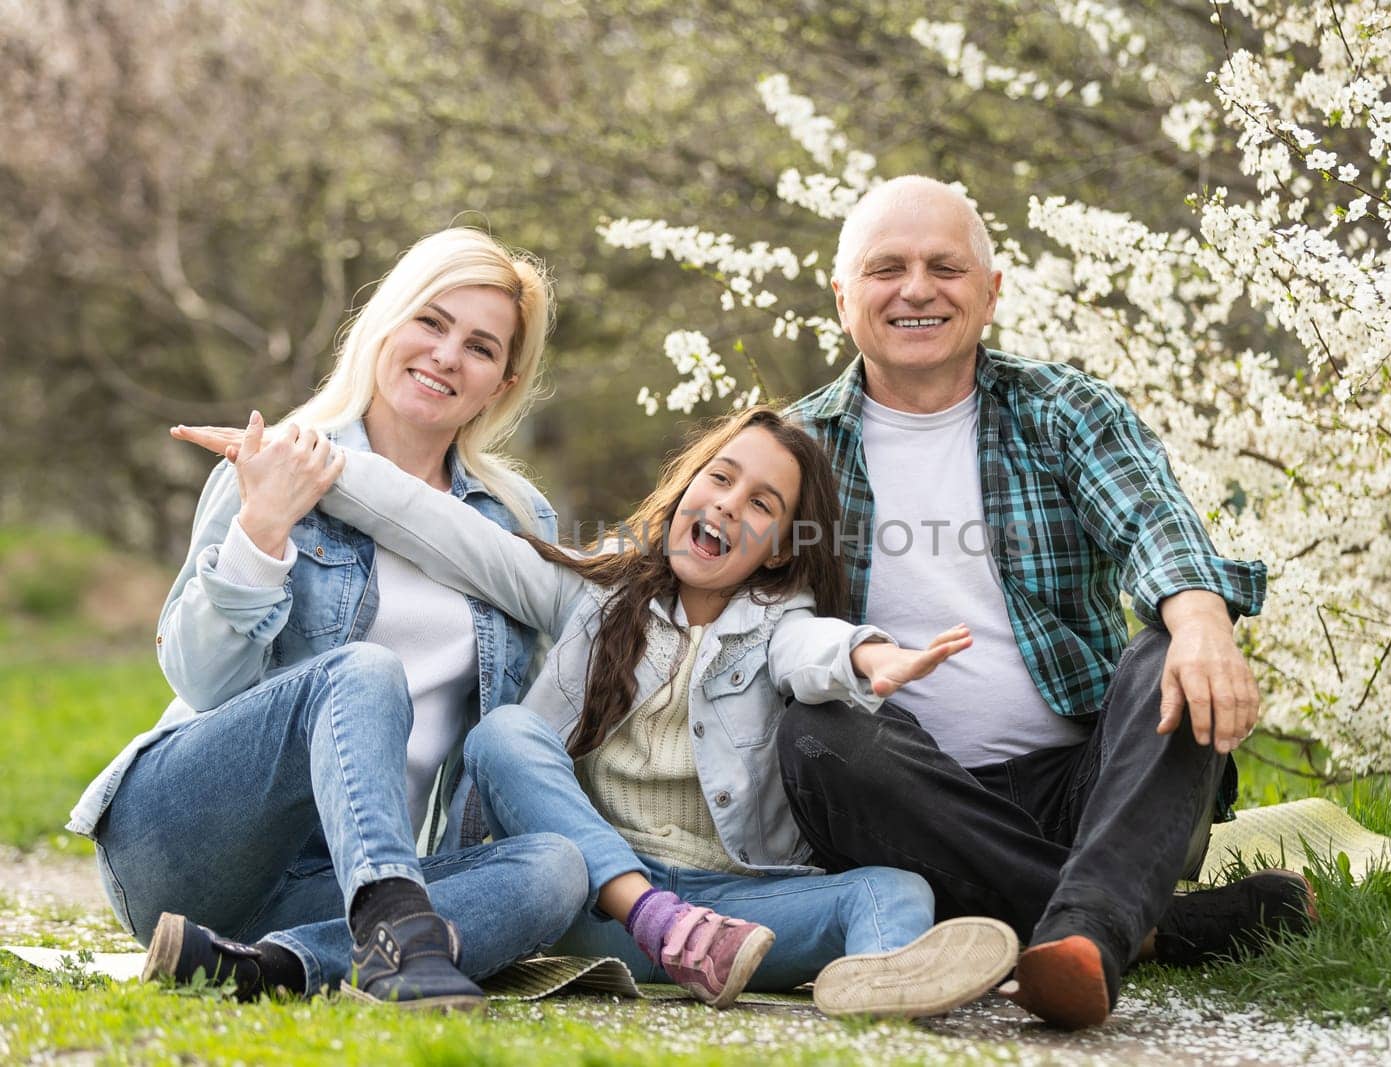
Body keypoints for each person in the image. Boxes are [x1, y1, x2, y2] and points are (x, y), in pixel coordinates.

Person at [178, 405, 1021, 1016]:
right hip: (600, 907)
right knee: (507, 733)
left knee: (889, 886)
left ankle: (883, 977)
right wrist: (303, 457)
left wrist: (876, 658)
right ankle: (659, 923)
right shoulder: (591, 594)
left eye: (763, 504)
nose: (730, 504)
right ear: (686, 486)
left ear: (782, 546)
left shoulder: (781, 629)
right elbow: (442, 528)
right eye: (720, 477)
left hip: (735, 918)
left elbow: (821, 651)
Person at [779, 175, 1319, 1029]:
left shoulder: (1064, 411)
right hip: (909, 801)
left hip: (1093, 789)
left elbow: (1154, 522)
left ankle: (1072, 918)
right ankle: (1117, 924)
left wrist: (1203, 617)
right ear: (843, 296)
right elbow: (732, 612)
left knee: (1164, 650)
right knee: (814, 728)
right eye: (887, 268)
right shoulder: (794, 449)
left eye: (944, 267)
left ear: (991, 293)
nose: (917, 289)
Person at [68, 228, 588, 1012]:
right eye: (431, 322)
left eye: (479, 347)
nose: (447, 355)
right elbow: (200, 680)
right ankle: (395, 929)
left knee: (557, 866)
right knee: (362, 671)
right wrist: (263, 532)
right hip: (186, 846)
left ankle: (276, 966)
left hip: (331, 887)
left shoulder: (515, 520)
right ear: (385, 322)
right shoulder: (273, 459)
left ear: (500, 384)